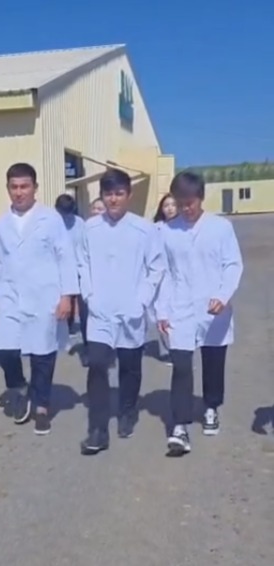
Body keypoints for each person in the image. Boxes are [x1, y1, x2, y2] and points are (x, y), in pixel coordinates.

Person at [0, 163, 78, 435]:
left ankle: (42, 407)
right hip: (9, 296)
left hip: (44, 296)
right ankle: (19, 386)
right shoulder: (0, 224)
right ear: (7, 189)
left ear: (35, 188)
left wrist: (67, 296)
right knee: (5, 349)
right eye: (14, 187)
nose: (19, 192)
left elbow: (65, 258)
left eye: (24, 186)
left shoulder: (51, 219)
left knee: (42, 352)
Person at [77, 168, 165, 456]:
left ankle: (127, 410)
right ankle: (98, 429)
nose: (113, 199)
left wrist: (141, 300)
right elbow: (82, 264)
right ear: (101, 195)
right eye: (108, 194)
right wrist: (89, 295)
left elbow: (156, 267)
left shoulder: (144, 229)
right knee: (97, 365)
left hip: (131, 311)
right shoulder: (90, 228)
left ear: (129, 194)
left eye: (118, 193)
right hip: (100, 311)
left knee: (129, 367)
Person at [155, 171, 243, 456]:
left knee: (213, 361)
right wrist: (162, 310)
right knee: (181, 365)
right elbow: (164, 273)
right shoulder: (167, 232)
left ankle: (211, 407)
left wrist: (223, 295)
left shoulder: (221, 227)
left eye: (190, 202)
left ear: (201, 197)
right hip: (179, 308)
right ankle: (180, 426)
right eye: (180, 203)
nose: (185, 208)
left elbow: (233, 264)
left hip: (213, 307)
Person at [54, 194, 87, 355]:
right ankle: (63, 336)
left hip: (78, 267)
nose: (66, 216)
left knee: (83, 305)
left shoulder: (79, 223)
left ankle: (86, 339)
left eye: (68, 213)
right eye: (63, 212)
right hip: (59, 268)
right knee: (62, 302)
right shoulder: (52, 222)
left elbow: (83, 245)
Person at [152, 193, 178, 364]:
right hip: (160, 276)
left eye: (173, 205)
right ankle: (167, 349)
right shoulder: (156, 228)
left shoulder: (183, 227)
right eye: (166, 205)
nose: (170, 208)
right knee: (160, 313)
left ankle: (179, 350)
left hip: (178, 277)